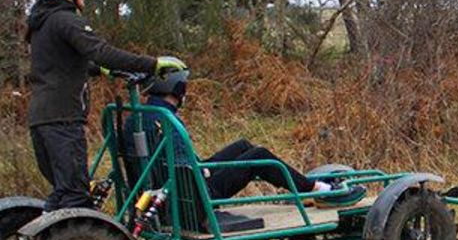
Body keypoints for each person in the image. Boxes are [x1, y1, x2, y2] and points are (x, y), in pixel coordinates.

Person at [25, 0, 186, 211]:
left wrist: (100, 70)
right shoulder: (66, 20)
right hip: (63, 120)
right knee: (76, 196)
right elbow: (102, 52)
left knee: (63, 192)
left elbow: (63, 65)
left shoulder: (41, 24)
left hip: (41, 119)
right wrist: (153, 64)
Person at [125, 69, 363, 206]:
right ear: (177, 88)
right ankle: (317, 189)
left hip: (180, 187)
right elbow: (182, 165)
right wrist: (202, 170)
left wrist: (200, 168)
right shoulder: (166, 121)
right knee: (258, 155)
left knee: (243, 146)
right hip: (195, 197)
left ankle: (303, 186)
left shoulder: (143, 115)